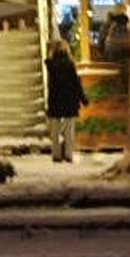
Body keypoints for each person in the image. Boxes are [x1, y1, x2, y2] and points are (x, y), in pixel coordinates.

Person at [44, 33, 86, 163]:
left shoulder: (50, 65)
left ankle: (56, 154)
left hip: (55, 101)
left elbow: (48, 62)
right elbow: (75, 83)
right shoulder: (69, 64)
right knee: (69, 130)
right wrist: (83, 98)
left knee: (55, 130)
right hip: (69, 101)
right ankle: (68, 154)